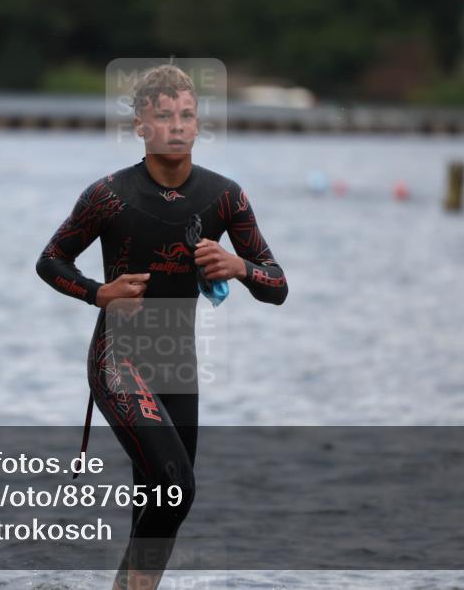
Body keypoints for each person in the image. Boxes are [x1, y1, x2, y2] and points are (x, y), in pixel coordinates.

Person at [36, 64, 286, 590]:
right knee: (178, 488)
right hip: (117, 357)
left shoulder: (225, 198)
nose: (177, 125)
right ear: (141, 127)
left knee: (161, 497)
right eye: (164, 115)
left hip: (177, 363)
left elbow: (277, 284)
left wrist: (239, 268)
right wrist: (97, 293)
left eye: (187, 115)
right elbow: (51, 261)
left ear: (199, 126)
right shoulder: (108, 195)